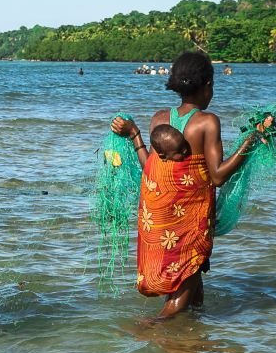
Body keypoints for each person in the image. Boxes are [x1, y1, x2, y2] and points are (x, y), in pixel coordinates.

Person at [112, 50, 263, 319]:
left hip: (161, 213)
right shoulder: (207, 122)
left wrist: (134, 134)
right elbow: (217, 176)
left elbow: (152, 168)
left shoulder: (159, 118)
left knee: (192, 278)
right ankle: (150, 327)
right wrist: (248, 144)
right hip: (192, 215)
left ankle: (190, 339)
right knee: (187, 278)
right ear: (207, 86)